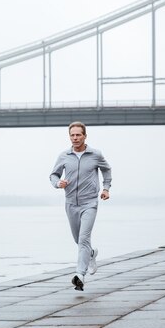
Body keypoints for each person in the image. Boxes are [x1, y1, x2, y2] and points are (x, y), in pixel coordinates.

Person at [50, 122, 112, 291]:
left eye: (78, 135)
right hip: (71, 203)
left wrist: (106, 188)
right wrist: (58, 183)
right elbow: (53, 175)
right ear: (69, 137)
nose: (75, 138)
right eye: (72, 135)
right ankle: (91, 254)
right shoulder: (64, 156)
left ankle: (80, 275)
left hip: (89, 203)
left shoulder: (95, 155)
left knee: (84, 238)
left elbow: (107, 170)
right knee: (78, 240)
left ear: (85, 136)